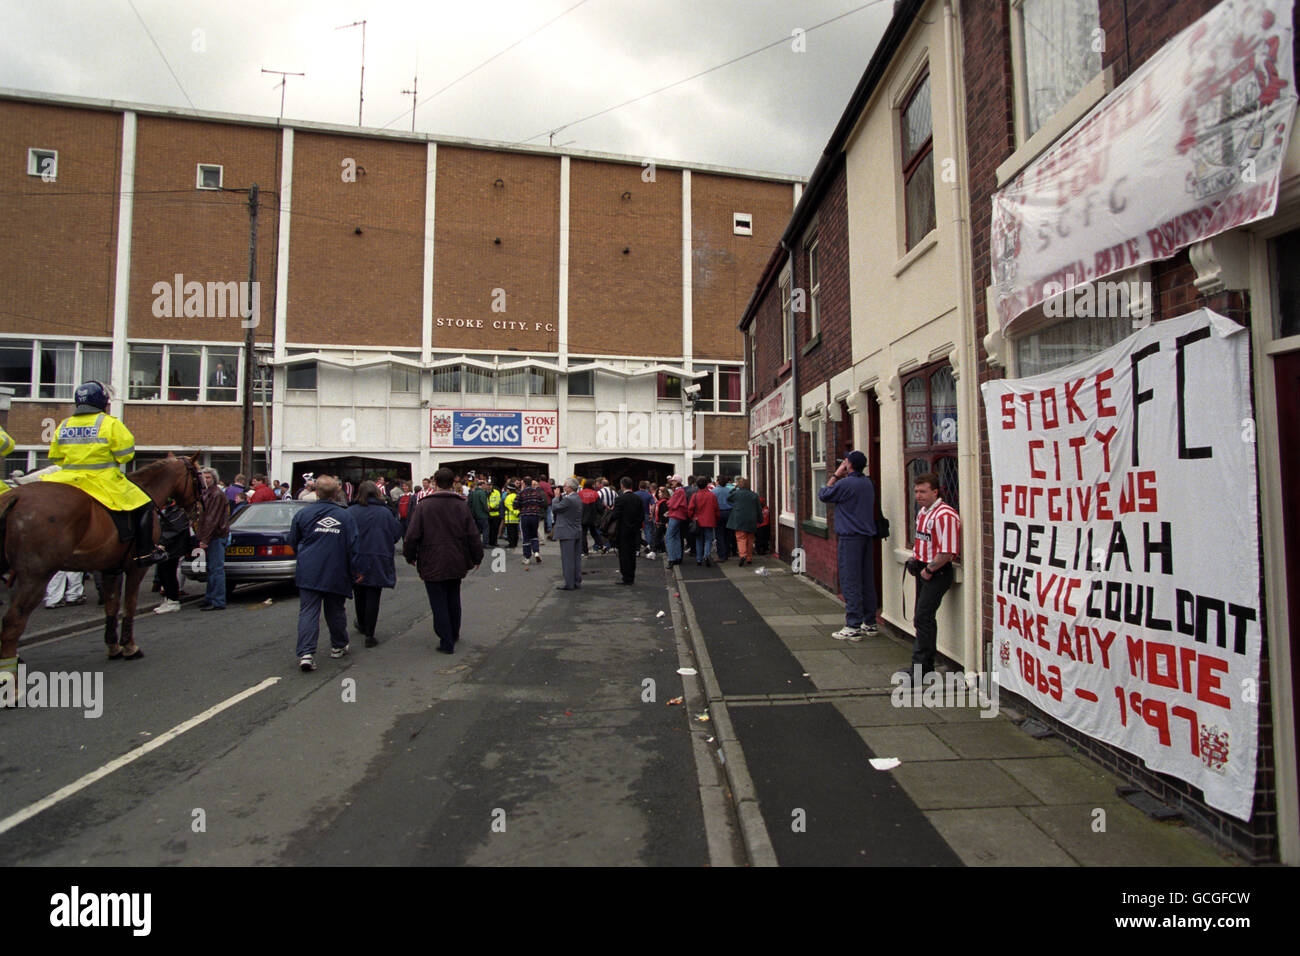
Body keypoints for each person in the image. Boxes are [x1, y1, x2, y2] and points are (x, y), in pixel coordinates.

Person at [40, 380, 167, 565]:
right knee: (145, 505)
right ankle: (145, 553)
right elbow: (125, 455)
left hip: (66, 479)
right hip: (102, 480)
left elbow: (56, 457)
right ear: (102, 401)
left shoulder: (64, 424)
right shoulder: (109, 423)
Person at [403, 467, 483, 654]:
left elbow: (412, 535)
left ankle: (446, 639)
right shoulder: (461, 505)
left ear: (435, 483)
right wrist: (477, 556)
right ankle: (453, 632)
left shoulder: (424, 505)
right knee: (453, 596)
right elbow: (472, 534)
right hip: (456, 558)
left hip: (431, 558)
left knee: (438, 600)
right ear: (453, 482)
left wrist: (410, 555)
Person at [289, 475, 360, 670]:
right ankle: (338, 645)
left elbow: (293, 540)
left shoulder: (303, 515)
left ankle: (306, 653)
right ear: (337, 492)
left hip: (309, 569)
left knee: (308, 611)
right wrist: (355, 570)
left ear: (316, 492)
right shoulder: (345, 516)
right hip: (336, 569)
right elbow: (353, 546)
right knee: (335, 610)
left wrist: (304, 556)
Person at [818, 450, 879, 642]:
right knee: (866, 580)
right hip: (866, 537)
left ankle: (853, 625)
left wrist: (837, 473)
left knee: (850, 580)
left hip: (850, 538)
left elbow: (824, 494)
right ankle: (870, 622)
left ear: (849, 464)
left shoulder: (845, 483)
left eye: (845, 461)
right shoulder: (867, 483)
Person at [908, 471, 960, 679]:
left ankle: (921, 669)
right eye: (916, 491)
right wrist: (915, 560)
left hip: (936, 572)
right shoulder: (923, 512)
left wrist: (929, 570)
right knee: (921, 618)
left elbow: (947, 552)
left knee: (923, 617)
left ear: (935, 492)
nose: (918, 495)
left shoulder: (944, 515)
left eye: (923, 491)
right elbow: (923, 540)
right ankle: (922, 665)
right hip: (922, 568)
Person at [348, 480, 403, 647]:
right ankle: (370, 634)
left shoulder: (350, 511)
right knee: (373, 594)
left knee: (359, 592)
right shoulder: (385, 513)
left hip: (356, 556)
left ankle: (363, 623)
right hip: (378, 556)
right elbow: (395, 534)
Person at [195, 467, 230, 611]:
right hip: (212, 535)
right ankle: (210, 598)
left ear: (214, 479)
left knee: (216, 569)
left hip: (216, 535)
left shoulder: (216, 494)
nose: (205, 479)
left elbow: (212, 519)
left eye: (208, 477)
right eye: (204, 477)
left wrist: (205, 539)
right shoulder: (207, 494)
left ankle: (218, 601)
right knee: (211, 569)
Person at [153, 496, 194, 614]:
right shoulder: (167, 511)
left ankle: (173, 601)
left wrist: (162, 543)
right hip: (166, 547)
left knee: (169, 574)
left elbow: (173, 530)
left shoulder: (178, 512)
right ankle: (168, 599)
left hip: (173, 548)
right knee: (163, 573)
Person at [610, 476, 645, 585]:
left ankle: (626, 576)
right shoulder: (637, 499)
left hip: (622, 530)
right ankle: (631, 575)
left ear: (622, 485)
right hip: (634, 530)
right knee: (632, 553)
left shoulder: (620, 499)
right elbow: (641, 515)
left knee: (624, 554)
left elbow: (615, 515)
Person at [551, 477, 583, 590]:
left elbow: (555, 508)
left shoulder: (569, 500)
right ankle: (576, 581)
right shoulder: (577, 498)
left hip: (567, 532)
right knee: (576, 558)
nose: (563, 488)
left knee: (567, 559)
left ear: (569, 488)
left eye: (564, 486)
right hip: (576, 530)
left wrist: (556, 497)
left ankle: (569, 583)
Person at [728, 477, 760, 568]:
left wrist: (734, 488)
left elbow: (728, 497)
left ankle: (742, 555)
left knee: (741, 537)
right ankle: (749, 558)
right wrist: (760, 519)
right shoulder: (754, 495)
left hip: (739, 519)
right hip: (751, 519)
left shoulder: (736, 494)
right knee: (750, 539)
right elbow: (758, 509)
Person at [688, 476, 719, 567]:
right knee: (708, 539)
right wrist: (716, 518)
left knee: (699, 540)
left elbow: (690, 509)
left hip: (698, 521)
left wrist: (692, 517)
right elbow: (716, 509)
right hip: (709, 520)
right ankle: (706, 555)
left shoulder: (695, 496)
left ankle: (699, 559)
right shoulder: (712, 495)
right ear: (706, 484)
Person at [516, 477, 547, 568]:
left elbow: (515, 504)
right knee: (534, 535)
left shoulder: (521, 493)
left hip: (525, 516)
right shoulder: (537, 493)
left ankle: (527, 557)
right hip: (535, 516)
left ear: (524, 484)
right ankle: (536, 552)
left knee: (526, 536)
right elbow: (542, 503)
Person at [665, 476, 688, 567]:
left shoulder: (678, 491)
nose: (672, 482)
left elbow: (672, 504)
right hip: (680, 516)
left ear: (677, 481)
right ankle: (678, 557)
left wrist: (669, 503)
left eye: (673, 481)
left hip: (675, 516)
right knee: (677, 536)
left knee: (669, 537)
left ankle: (672, 558)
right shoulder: (681, 491)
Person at [712, 475, 734, 561]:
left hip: (718, 513)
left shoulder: (714, 491)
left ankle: (721, 555)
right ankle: (727, 552)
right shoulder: (730, 491)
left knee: (719, 534)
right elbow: (733, 502)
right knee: (727, 534)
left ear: (717, 481)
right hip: (729, 512)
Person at [502, 481, 520, 549]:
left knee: (510, 532)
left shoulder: (508, 497)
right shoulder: (517, 495)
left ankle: (511, 544)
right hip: (516, 517)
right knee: (515, 531)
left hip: (510, 517)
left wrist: (514, 512)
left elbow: (508, 506)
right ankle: (515, 543)